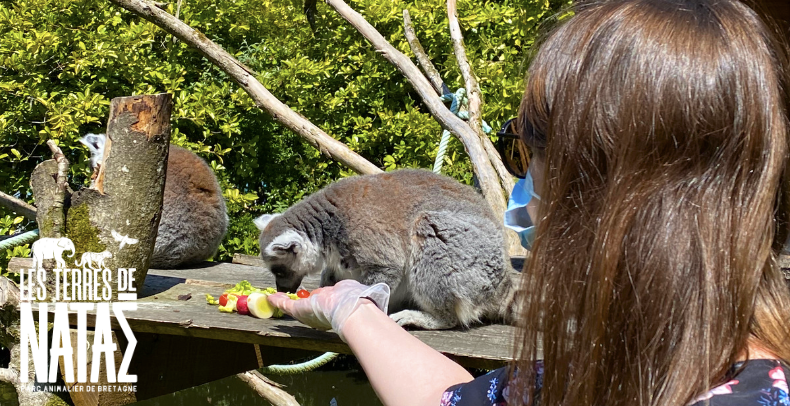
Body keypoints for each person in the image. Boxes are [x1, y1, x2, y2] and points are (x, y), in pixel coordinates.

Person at [267, 0, 790, 405]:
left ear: (604, 197)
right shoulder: (615, 366)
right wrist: (352, 309)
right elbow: (444, 399)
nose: (522, 193)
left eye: (524, 149)